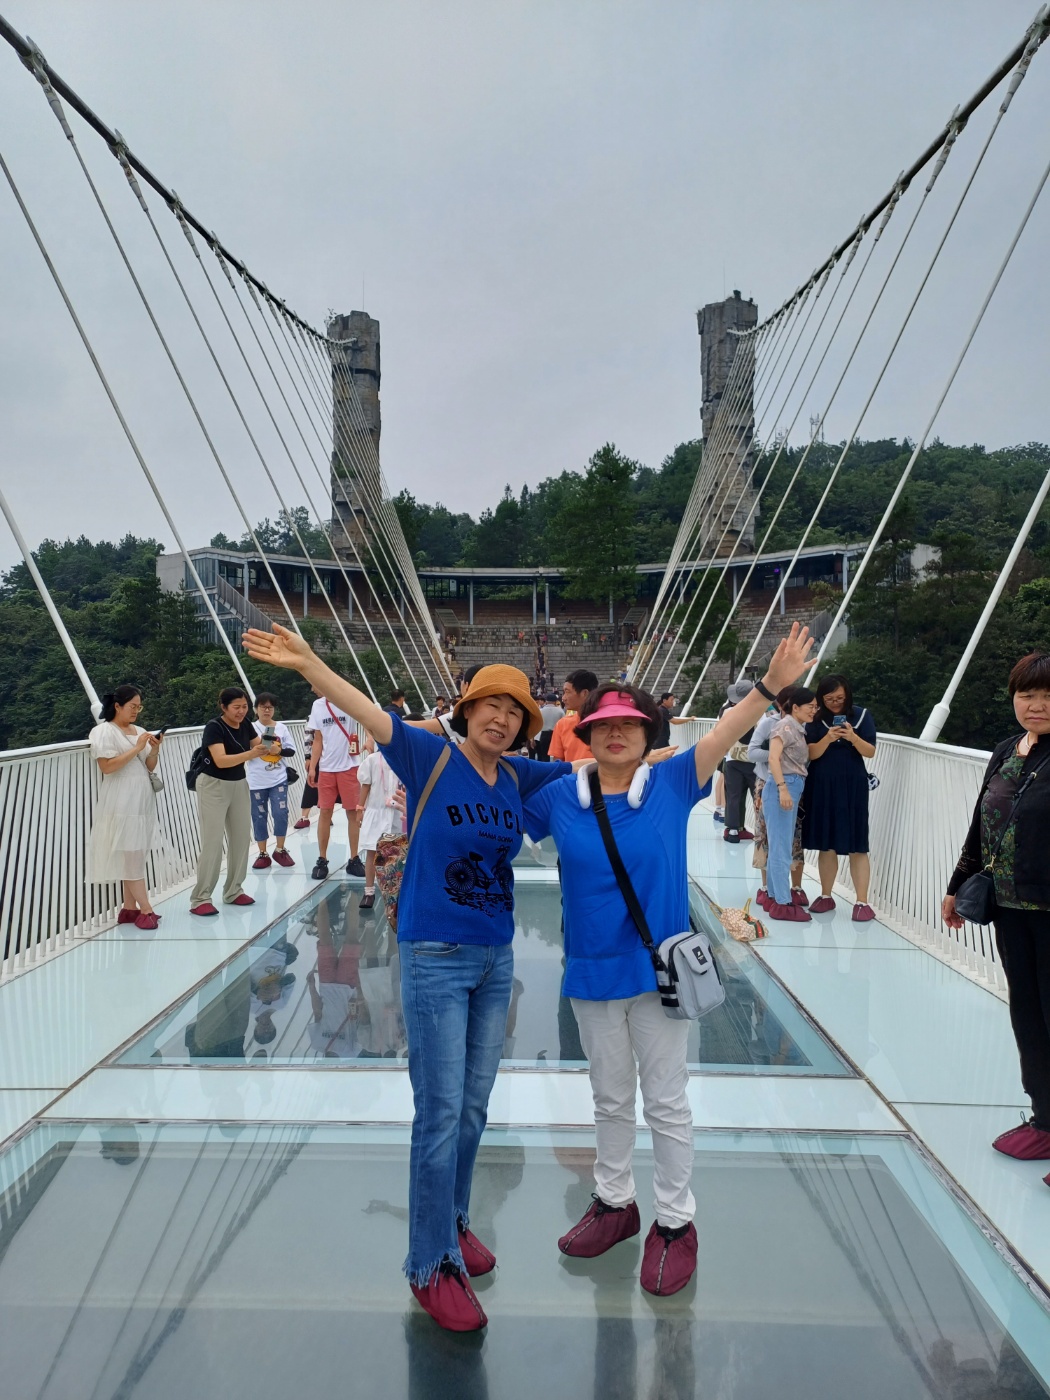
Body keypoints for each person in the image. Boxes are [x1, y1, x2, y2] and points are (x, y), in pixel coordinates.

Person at [242, 622, 573, 1333]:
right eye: (490, 705)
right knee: (441, 1111)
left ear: (525, 728)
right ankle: (429, 1265)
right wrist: (309, 663)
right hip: (435, 957)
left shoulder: (520, 776)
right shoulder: (431, 756)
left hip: (495, 958)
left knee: (475, 1108)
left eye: (514, 712)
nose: (501, 718)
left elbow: (604, 771)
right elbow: (365, 711)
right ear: (466, 710)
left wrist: (661, 750)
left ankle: (453, 1222)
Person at [523, 625, 813, 1297]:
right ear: (584, 733)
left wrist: (770, 685)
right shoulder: (561, 797)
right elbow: (490, 796)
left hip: (659, 974)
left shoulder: (672, 784)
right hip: (591, 970)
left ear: (648, 733)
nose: (616, 734)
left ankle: (676, 1223)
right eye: (603, 724)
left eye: (629, 724)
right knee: (608, 1097)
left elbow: (726, 731)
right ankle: (615, 1203)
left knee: (666, 1100)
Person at [943, 653, 1050, 1172]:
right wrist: (957, 885)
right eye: (1028, 695)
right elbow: (981, 823)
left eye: (1048, 696)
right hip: (1009, 907)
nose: (1037, 705)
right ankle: (1045, 1120)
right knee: (1027, 1015)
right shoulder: (1007, 750)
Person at [190, 687, 278, 916]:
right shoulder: (214, 727)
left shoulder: (246, 724)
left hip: (238, 783)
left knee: (241, 838)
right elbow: (220, 760)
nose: (241, 711)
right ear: (224, 707)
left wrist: (271, 746)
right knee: (212, 842)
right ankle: (200, 898)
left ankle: (233, 890)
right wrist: (252, 754)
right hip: (213, 785)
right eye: (236, 707)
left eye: (245, 707)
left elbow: (261, 746)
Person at [802, 674, 878, 921]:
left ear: (847, 695)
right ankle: (826, 895)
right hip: (822, 785)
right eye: (829, 699)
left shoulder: (862, 716)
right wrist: (828, 738)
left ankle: (862, 902)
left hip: (853, 785)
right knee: (827, 843)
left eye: (839, 698)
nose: (835, 703)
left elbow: (870, 751)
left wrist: (852, 737)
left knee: (858, 843)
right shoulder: (814, 719)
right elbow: (811, 754)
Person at [88, 685, 164, 930]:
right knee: (130, 852)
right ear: (117, 706)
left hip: (140, 799)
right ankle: (146, 909)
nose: (135, 711)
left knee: (136, 851)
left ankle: (129, 908)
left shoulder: (139, 731)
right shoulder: (103, 731)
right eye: (132, 706)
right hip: (121, 799)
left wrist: (154, 749)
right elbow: (107, 767)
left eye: (138, 707)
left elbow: (148, 766)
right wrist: (137, 748)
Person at [749, 689, 808, 909]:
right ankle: (775, 894)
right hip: (772, 783)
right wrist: (782, 755)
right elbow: (753, 752)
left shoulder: (801, 725)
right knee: (770, 839)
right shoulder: (775, 725)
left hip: (792, 785)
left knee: (788, 839)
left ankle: (786, 891)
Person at [765, 686, 819, 923]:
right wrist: (782, 788)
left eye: (816, 707)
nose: (814, 711)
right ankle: (783, 902)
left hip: (791, 784)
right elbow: (773, 758)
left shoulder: (797, 728)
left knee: (779, 844)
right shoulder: (785, 726)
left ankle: (775, 896)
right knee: (781, 846)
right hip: (784, 784)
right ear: (795, 707)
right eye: (810, 707)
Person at [307, 687, 366, 880]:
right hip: (327, 768)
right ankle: (322, 859)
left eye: (315, 683)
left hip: (349, 766)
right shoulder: (317, 706)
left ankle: (354, 859)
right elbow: (318, 739)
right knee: (325, 812)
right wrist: (313, 767)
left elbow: (368, 716)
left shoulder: (347, 699)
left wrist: (370, 738)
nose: (313, 688)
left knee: (352, 813)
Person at [248, 693, 295, 870]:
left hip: (278, 779)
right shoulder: (251, 728)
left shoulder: (281, 728)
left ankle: (280, 849)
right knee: (259, 816)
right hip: (257, 781)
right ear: (256, 709)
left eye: (270, 707)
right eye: (263, 707)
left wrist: (278, 750)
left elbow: (291, 751)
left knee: (281, 813)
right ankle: (262, 853)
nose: (267, 710)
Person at [356, 737, 403, 910]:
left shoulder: (402, 759)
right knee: (371, 852)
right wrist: (360, 808)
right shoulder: (372, 760)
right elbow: (366, 785)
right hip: (376, 812)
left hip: (397, 813)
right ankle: (369, 891)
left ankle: (395, 893)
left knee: (396, 854)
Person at [722, 679, 758, 843]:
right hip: (754, 760)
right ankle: (763, 830)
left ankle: (733, 831)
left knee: (734, 795)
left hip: (732, 758)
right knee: (758, 796)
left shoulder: (728, 712)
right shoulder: (761, 711)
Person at [549, 669, 598, 762]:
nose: (563, 698)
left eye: (567, 692)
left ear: (584, 693)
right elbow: (558, 764)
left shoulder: (605, 723)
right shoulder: (562, 725)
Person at [537, 691, 563, 761]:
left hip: (544, 734)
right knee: (557, 755)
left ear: (546, 701)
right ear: (555, 702)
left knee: (544, 754)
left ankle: (545, 767)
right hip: (556, 734)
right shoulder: (560, 711)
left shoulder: (540, 711)